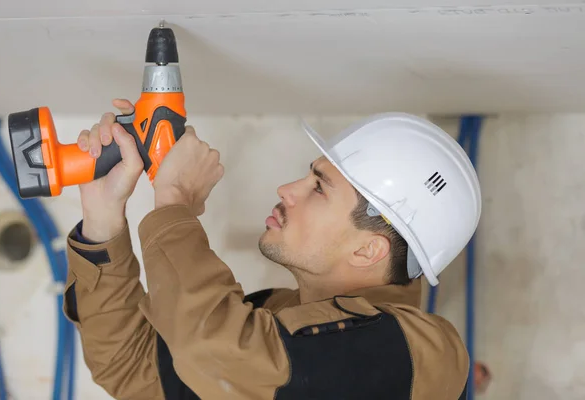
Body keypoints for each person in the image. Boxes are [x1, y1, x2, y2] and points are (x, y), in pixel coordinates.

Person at [63, 98, 480, 400]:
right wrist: (102, 218)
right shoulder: (277, 318)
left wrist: (174, 203)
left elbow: (218, 353)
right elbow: (135, 368)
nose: (287, 190)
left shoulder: (418, 353)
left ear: (368, 251)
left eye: (318, 188)